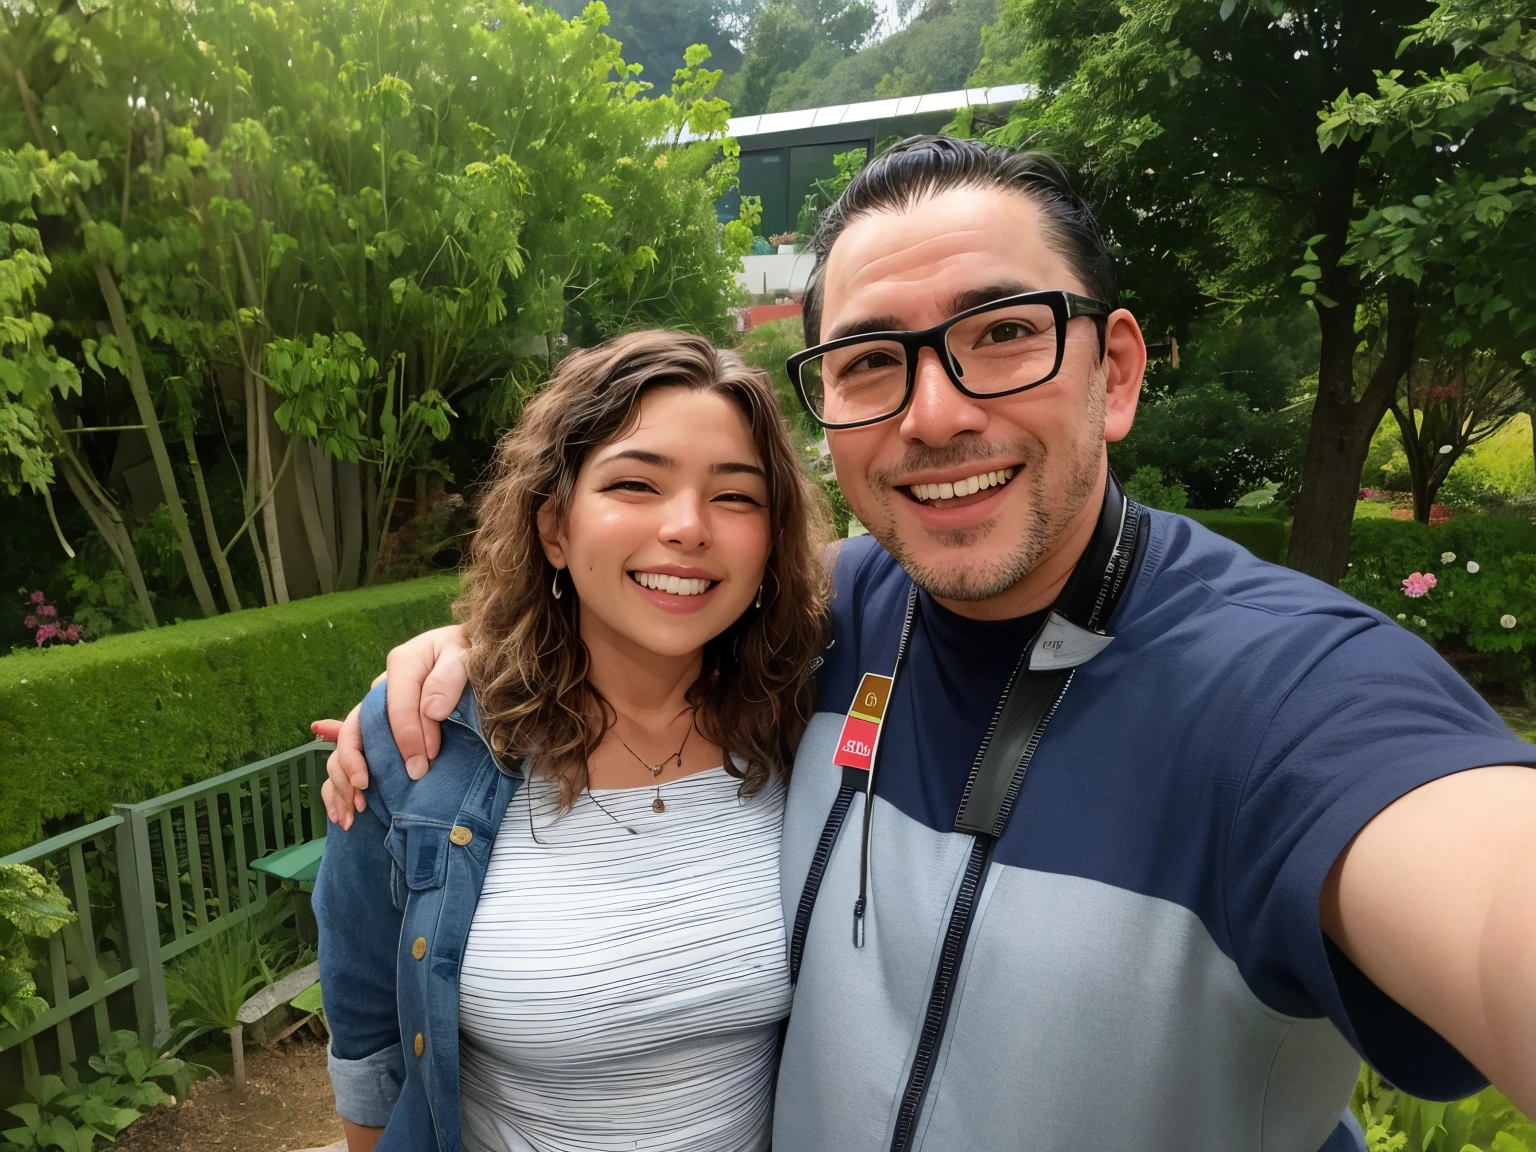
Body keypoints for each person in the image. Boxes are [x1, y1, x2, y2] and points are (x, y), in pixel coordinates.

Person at [319, 138, 1536, 1152]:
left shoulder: (1279, 693)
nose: (938, 413)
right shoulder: (832, 616)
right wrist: (473, 653)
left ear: (1113, 372)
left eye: (1002, 332)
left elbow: (1479, 889)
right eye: (870, 362)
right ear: (833, 420)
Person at [311, 330, 832, 1152]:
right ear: (555, 527)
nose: (689, 527)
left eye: (737, 496)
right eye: (635, 484)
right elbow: (370, 1034)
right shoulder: (419, 743)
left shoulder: (812, 717)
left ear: (772, 539)